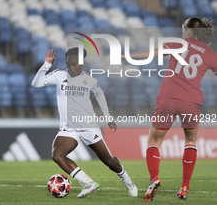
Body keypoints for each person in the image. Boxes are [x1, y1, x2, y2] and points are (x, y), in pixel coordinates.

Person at [122, 17, 217, 201]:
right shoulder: (210, 53)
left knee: (154, 140)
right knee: (190, 140)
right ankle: (184, 187)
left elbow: (152, 53)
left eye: (183, 28)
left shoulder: (179, 44)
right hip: (191, 101)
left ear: (189, 31)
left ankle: (154, 178)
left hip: (168, 98)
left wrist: (128, 56)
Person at [32, 48, 138, 198]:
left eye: (75, 64)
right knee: (57, 155)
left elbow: (100, 95)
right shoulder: (59, 75)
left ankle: (126, 179)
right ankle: (88, 183)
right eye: (69, 64)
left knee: (109, 161)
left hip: (87, 126)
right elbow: (36, 83)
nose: (71, 67)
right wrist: (46, 65)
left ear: (82, 63)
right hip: (68, 128)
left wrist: (108, 117)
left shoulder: (90, 80)